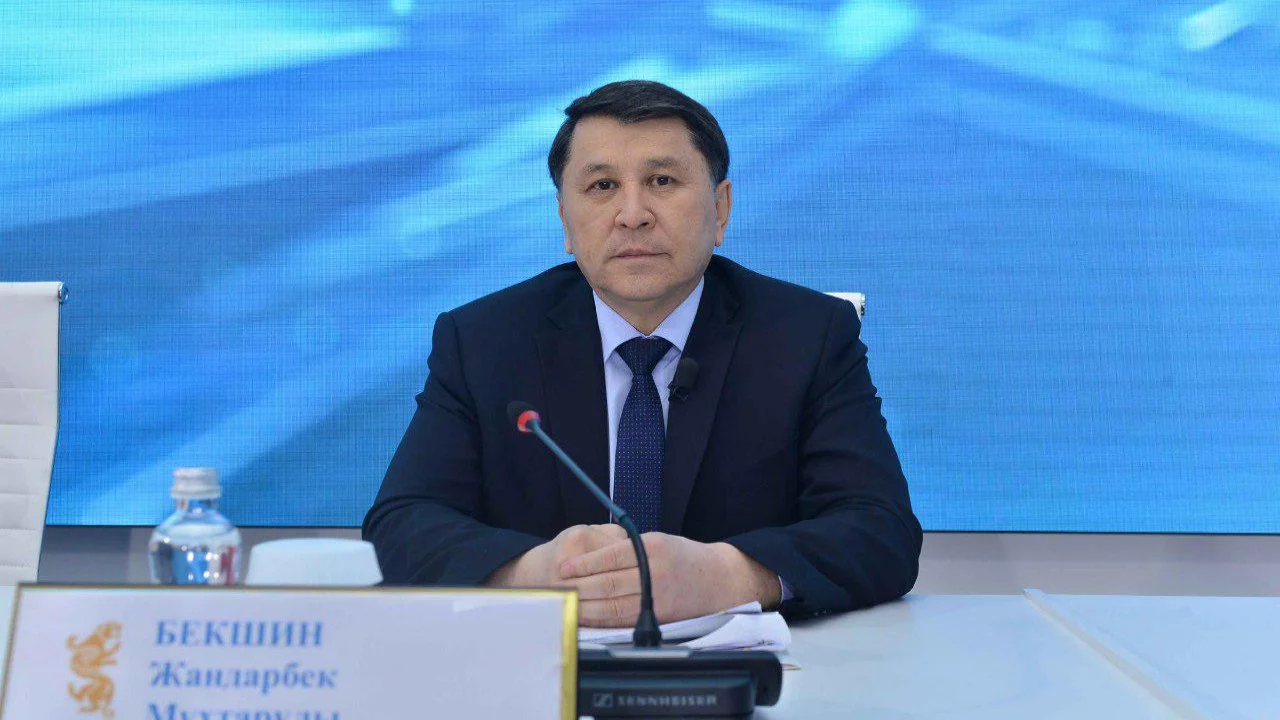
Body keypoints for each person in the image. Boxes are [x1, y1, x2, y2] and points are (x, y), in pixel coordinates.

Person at [364, 80, 922, 627]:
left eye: (661, 180)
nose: (632, 214)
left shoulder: (808, 335)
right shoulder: (482, 340)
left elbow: (881, 530)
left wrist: (729, 576)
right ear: (565, 219)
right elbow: (399, 525)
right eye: (602, 186)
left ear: (721, 209)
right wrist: (531, 574)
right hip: (538, 667)